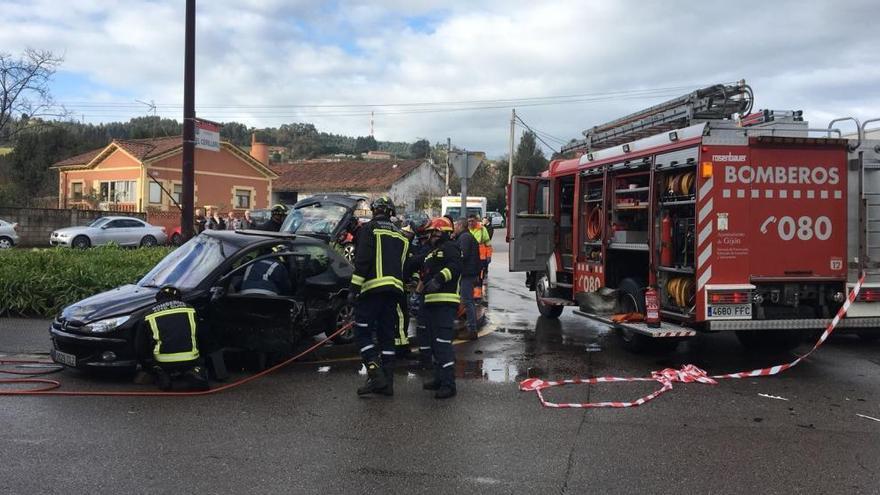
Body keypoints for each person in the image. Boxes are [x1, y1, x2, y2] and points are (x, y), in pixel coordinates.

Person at [349, 196, 409, 397]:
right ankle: (388, 383)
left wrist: (354, 289)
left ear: (374, 211)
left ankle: (376, 376)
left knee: (362, 332)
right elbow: (404, 267)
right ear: (390, 212)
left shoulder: (369, 229)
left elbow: (363, 261)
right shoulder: (401, 235)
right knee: (386, 337)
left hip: (372, 290)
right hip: (394, 293)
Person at [410, 216, 462, 399]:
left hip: (445, 303)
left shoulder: (451, 247)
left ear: (443, 232)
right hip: (430, 303)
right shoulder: (432, 253)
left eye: (433, 232)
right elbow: (422, 272)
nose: (430, 236)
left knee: (442, 344)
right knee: (433, 344)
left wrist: (439, 279)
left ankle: (449, 384)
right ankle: (439, 379)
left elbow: (456, 266)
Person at [140, 285, 209, 391]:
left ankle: (162, 374)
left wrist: (147, 367)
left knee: (158, 364)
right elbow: (205, 336)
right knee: (196, 364)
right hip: (190, 359)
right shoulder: (191, 309)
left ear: (158, 299)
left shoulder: (148, 314)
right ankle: (195, 371)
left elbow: (140, 346)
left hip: (162, 360)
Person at [454, 218, 480, 341]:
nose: (454, 228)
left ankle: (472, 330)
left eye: (455, 225)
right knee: (467, 301)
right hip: (469, 272)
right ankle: (470, 328)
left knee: (468, 301)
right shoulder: (466, 236)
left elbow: (462, 254)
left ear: (460, 225)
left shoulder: (464, 237)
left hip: (467, 274)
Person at [469, 214, 493, 304]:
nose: (470, 223)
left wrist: (488, 256)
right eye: (469, 221)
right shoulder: (467, 230)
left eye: (472, 221)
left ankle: (477, 296)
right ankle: (470, 294)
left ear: (476, 221)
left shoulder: (482, 229)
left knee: (479, 277)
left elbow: (488, 244)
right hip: (470, 257)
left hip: (481, 257)